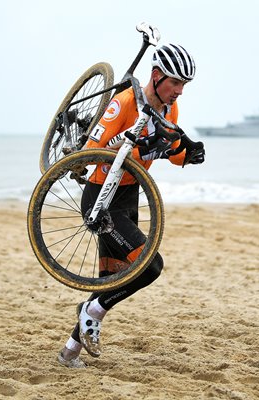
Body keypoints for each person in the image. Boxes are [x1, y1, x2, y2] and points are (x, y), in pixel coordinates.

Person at [57, 43, 204, 368]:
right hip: (101, 200)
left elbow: (169, 149)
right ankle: (90, 312)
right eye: (175, 83)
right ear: (156, 76)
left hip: (128, 197)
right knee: (150, 266)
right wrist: (143, 145)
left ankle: (69, 352)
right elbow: (94, 150)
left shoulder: (169, 110)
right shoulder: (123, 103)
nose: (179, 91)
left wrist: (188, 155)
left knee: (114, 280)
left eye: (184, 85)